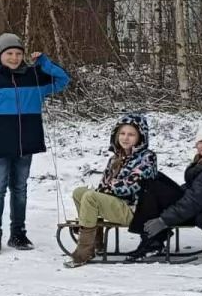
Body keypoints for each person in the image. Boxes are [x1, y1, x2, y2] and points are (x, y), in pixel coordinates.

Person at [0, 33, 69, 255]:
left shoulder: (35, 78)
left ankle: (18, 233)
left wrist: (44, 62)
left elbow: (62, 80)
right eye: (9, 53)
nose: (14, 58)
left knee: (20, 190)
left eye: (18, 53)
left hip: (26, 145)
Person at [126, 122, 202, 262]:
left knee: (153, 186)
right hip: (199, 206)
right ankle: (153, 239)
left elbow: (194, 202)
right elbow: (193, 190)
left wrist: (163, 221)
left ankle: (152, 241)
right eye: (201, 142)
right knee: (154, 180)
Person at [66, 114, 158, 267]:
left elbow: (132, 185)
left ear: (140, 137)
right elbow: (105, 184)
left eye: (131, 134)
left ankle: (84, 249)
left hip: (136, 210)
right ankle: (96, 241)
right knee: (79, 193)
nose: (125, 138)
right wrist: (105, 187)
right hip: (118, 204)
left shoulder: (147, 157)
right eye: (122, 133)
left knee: (91, 197)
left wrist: (107, 187)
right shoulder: (115, 158)